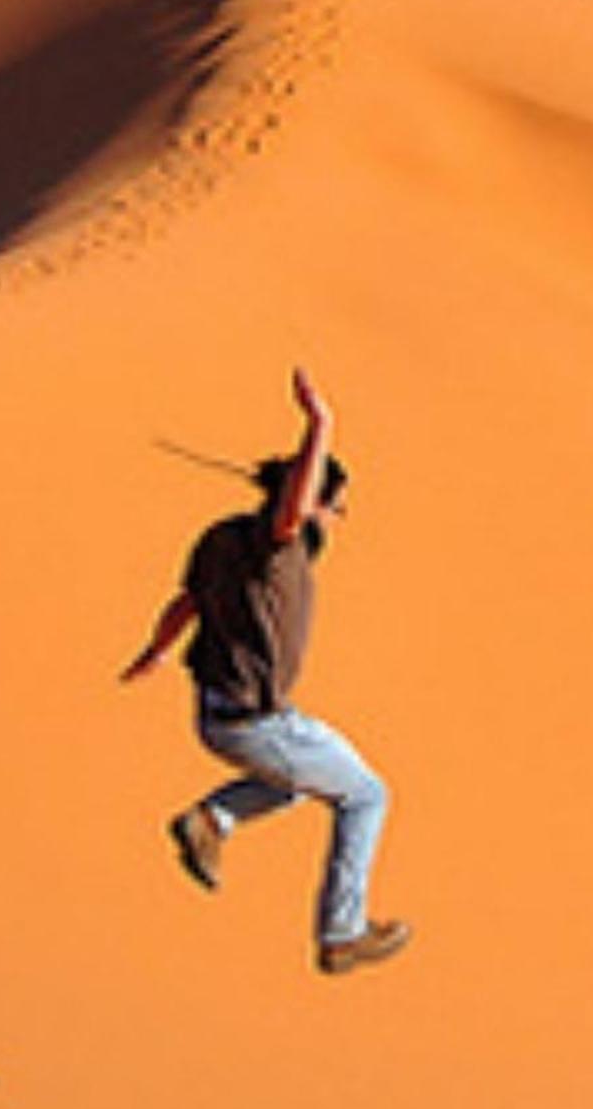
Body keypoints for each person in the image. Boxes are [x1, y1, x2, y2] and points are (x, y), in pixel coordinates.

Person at [120, 368, 409, 976]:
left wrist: (158, 650)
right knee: (366, 795)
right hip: (255, 722)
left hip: (216, 715)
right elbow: (291, 514)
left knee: (286, 786)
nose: (335, 522)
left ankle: (211, 820)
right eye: (336, 509)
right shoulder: (281, 547)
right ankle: (342, 932)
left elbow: (187, 601)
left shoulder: (221, 538)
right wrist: (320, 425)